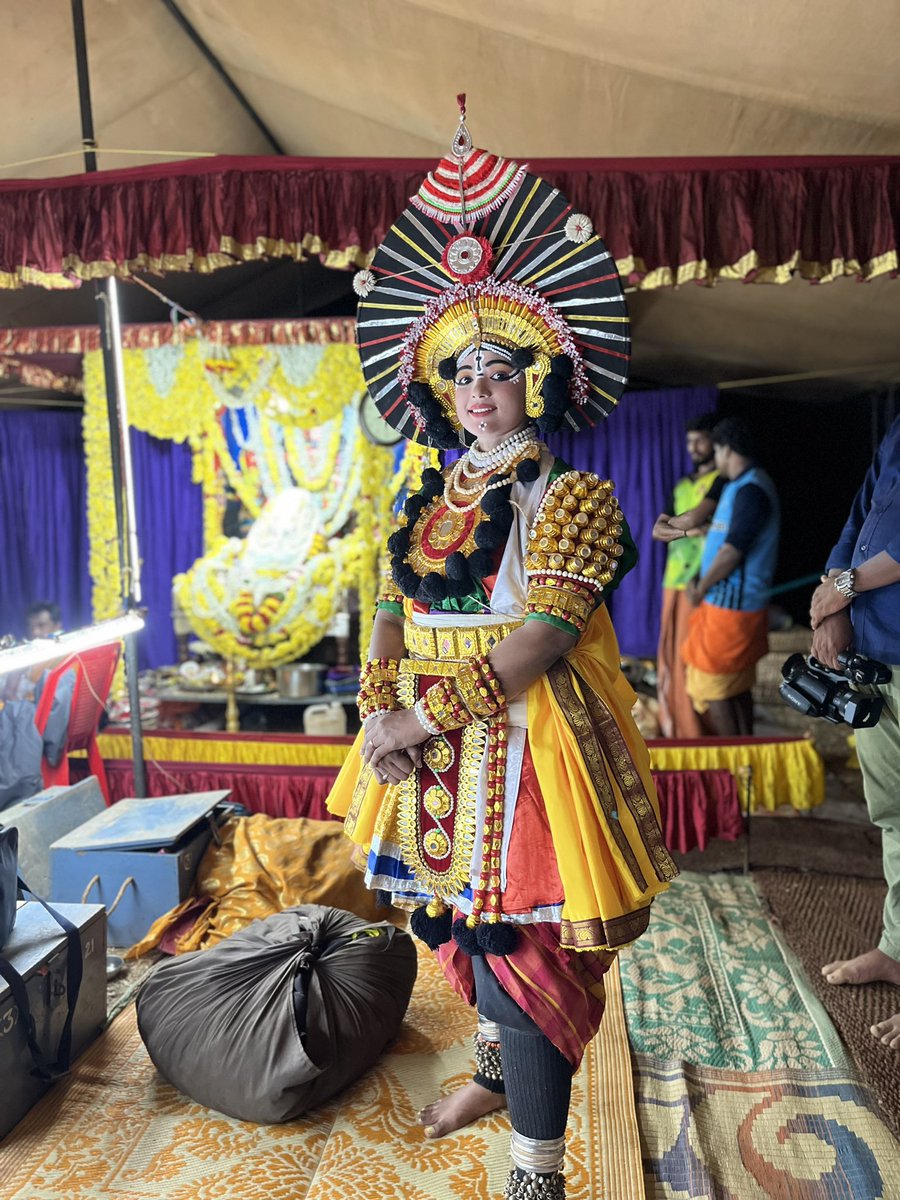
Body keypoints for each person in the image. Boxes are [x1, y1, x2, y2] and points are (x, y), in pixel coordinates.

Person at [326, 101, 677, 1200]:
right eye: (460, 371)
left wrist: (417, 717)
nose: (478, 387)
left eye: (500, 366)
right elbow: (391, 599)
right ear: (438, 389)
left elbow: (539, 640)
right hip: (423, 744)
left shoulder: (572, 494)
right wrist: (380, 702)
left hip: (525, 748)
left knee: (525, 952)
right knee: (451, 922)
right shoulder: (423, 489)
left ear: (541, 379)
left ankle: (536, 1168)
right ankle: (488, 1068)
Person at [809, 415, 900, 1049]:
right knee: (893, 812)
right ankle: (897, 949)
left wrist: (844, 587)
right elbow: (859, 516)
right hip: (877, 649)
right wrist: (833, 599)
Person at [654, 418, 779, 735]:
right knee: (732, 686)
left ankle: (733, 757)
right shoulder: (740, 485)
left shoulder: (752, 490)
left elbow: (731, 552)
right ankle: (744, 758)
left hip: (732, 605)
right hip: (724, 604)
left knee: (711, 687)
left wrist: (701, 586)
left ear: (725, 450)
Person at [652, 413, 720, 737]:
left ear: (715, 441)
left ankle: (700, 736)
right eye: (689, 440)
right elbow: (656, 531)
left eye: (700, 439)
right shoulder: (681, 485)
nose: (693, 447)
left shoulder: (724, 481)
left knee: (699, 664)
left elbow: (715, 530)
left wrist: (676, 528)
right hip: (673, 581)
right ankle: (678, 731)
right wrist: (692, 532)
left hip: (705, 581)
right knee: (671, 660)